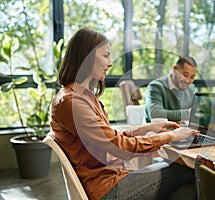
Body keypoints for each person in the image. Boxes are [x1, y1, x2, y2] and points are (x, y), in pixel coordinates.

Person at [49, 28, 199, 200]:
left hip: (114, 178)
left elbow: (109, 138)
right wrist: (172, 136)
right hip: (107, 189)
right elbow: (117, 146)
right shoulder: (72, 102)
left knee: (182, 183)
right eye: (105, 55)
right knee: (189, 171)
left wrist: (145, 128)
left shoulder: (86, 97)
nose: (110, 62)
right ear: (86, 57)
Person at [145, 56, 197, 123]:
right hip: (157, 132)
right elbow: (155, 114)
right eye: (185, 75)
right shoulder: (156, 86)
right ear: (175, 69)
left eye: (192, 77)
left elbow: (197, 114)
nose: (188, 80)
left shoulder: (191, 88)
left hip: (183, 131)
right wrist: (187, 114)